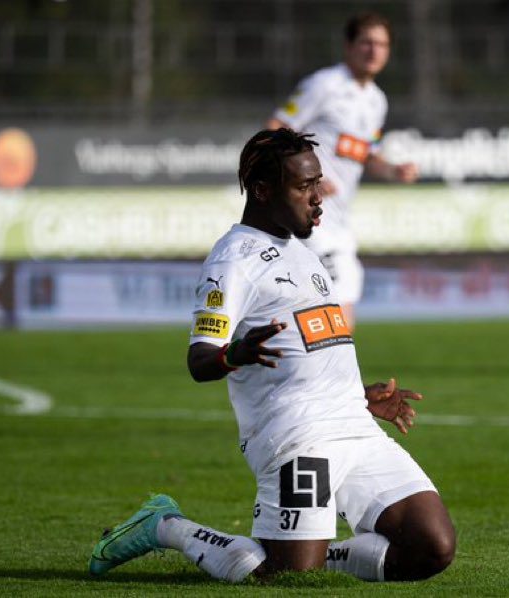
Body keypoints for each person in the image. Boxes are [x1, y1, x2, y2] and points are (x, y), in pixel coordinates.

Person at [89, 129, 455, 584]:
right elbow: (200, 360)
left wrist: (358, 396)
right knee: (282, 577)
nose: (319, 197)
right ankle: (165, 526)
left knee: (432, 546)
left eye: (318, 183)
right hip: (297, 436)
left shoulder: (303, 252)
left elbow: (308, 346)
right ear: (262, 191)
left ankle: (302, 552)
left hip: (354, 426)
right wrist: (237, 353)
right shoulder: (233, 261)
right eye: (304, 187)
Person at [266, 12, 419, 331]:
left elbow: (367, 154)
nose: (374, 51)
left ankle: (266, 354)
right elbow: (275, 131)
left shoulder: (377, 101)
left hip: (339, 221)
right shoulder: (324, 85)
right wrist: (307, 179)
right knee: (338, 306)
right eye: (366, 42)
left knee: (318, 313)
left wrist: (394, 171)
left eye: (382, 45)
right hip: (308, 216)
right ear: (348, 46)